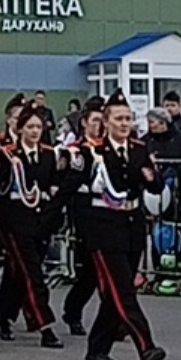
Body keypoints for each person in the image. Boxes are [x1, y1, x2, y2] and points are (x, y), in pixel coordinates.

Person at [76, 91, 167, 360]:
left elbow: (155, 187)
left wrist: (152, 176)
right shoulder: (93, 151)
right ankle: (146, 346)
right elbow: (73, 189)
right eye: (119, 118)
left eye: (128, 118)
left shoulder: (139, 149)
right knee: (124, 292)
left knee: (117, 291)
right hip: (103, 228)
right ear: (106, 122)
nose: (124, 123)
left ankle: (97, 348)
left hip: (131, 225)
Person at [0, 101, 65, 348]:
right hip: (15, 221)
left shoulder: (48, 154)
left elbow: (53, 188)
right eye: (30, 127)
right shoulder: (8, 154)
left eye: (39, 127)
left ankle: (3, 316)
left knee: (17, 274)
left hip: (40, 221)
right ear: (20, 129)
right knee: (33, 273)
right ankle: (45, 325)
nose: (35, 131)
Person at [60, 98, 107, 333]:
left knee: (105, 270)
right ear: (85, 124)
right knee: (90, 269)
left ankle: (114, 321)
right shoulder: (76, 150)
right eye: (95, 121)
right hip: (85, 209)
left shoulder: (109, 148)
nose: (100, 125)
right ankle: (73, 310)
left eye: (102, 120)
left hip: (108, 211)